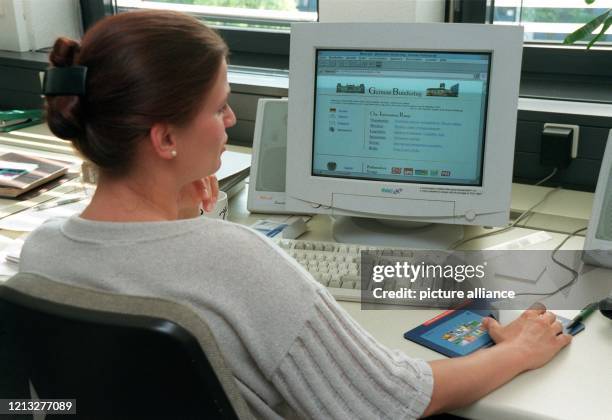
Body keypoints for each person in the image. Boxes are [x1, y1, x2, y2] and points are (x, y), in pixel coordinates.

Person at [19, 10, 572, 420]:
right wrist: (520, 349)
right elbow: (395, 399)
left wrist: (187, 217)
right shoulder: (238, 259)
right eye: (218, 107)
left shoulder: (41, 251)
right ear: (164, 137)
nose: (232, 118)